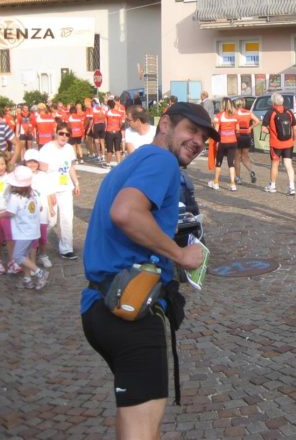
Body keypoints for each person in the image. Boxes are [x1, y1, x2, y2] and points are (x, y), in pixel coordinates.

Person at [81, 102, 216, 439]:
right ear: (166, 124)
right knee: (140, 431)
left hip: (102, 306)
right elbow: (126, 213)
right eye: (191, 130)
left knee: (139, 422)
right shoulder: (161, 160)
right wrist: (179, 255)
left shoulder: (136, 160)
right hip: (131, 314)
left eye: (204, 136)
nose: (198, 141)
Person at [1, 165, 49, 290]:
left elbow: (10, 212)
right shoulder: (32, 194)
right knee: (25, 255)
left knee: (18, 256)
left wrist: (0, 216)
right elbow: (40, 208)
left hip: (23, 232)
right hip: (33, 230)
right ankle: (27, 279)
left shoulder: (15, 197)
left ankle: (40, 272)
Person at [38, 122, 80, 260]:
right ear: (56, 133)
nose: (64, 136)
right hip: (50, 189)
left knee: (67, 218)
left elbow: (71, 167)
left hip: (66, 188)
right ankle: (37, 242)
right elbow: (42, 171)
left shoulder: (69, 149)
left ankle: (66, 249)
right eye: (61, 133)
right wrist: (49, 192)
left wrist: (76, 183)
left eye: (67, 134)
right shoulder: (46, 149)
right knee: (51, 221)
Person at [262, 92, 296, 195]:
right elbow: (295, 128)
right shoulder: (289, 112)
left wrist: (271, 132)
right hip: (288, 143)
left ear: (273, 102)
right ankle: (292, 187)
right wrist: (294, 139)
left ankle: (272, 186)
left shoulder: (270, 113)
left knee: (275, 165)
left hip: (275, 143)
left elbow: (264, 129)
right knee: (288, 165)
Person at [24, 149, 54, 270]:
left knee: (43, 235)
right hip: (29, 212)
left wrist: (51, 207)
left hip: (43, 210)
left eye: (34, 162)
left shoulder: (43, 176)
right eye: (29, 162)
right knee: (31, 236)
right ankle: (31, 259)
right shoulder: (23, 176)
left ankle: (43, 254)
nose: (32, 165)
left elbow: (47, 193)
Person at [209, 97, 238, 191]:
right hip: (233, 141)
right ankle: (233, 184)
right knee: (231, 163)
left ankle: (216, 182)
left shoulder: (219, 116)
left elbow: (216, 131)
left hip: (222, 141)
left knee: (219, 162)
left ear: (223, 105)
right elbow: (237, 129)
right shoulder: (235, 115)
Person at [233, 98, 260, 185]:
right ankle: (251, 171)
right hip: (246, 136)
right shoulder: (248, 112)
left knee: (237, 158)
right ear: (243, 104)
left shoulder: (234, 113)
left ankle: (238, 178)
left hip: (237, 135)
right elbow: (257, 121)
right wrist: (250, 128)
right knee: (245, 157)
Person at [104, 99, 124, 166]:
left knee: (109, 149)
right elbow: (121, 123)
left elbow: (105, 124)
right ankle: (119, 163)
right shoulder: (119, 113)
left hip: (109, 132)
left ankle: (108, 163)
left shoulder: (107, 113)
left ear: (108, 106)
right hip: (117, 132)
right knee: (117, 149)